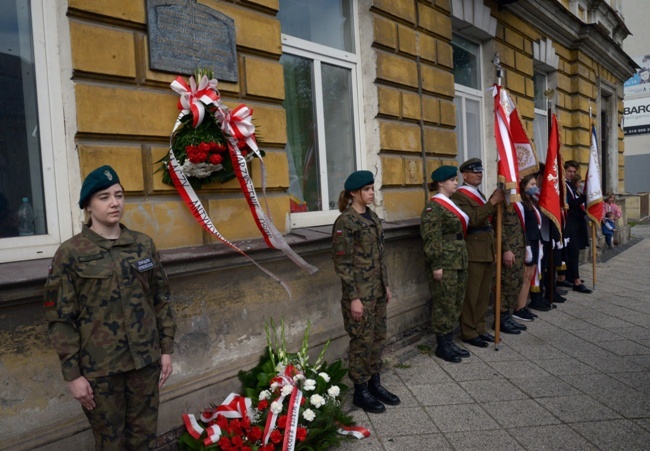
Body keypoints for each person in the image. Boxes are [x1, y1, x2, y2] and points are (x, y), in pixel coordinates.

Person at [44, 166, 176, 450]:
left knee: (143, 439)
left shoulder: (142, 245)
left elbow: (161, 299)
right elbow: (60, 319)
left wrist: (166, 350)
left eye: (119, 195)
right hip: (100, 372)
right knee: (110, 444)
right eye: (104, 197)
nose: (114, 202)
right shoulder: (71, 253)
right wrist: (73, 375)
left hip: (145, 362)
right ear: (88, 206)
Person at [332, 170, 400, 414]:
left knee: (378, 337)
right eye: (368, 189)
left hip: (377, 291)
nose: (372, 193)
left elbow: (380, 257)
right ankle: (360, 391)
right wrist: (354, 298)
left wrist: (386, 285)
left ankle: (374, 383)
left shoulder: (372, 217)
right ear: (354, 193)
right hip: (360, 295)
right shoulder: (345, 222)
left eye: (373, 188)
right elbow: (343, 264)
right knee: (361, 341)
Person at [451, 158, 504, 348]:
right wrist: (492, 202)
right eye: (474, 172)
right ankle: (468, 331)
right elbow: (472, 220)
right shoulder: (459, 196)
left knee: (483, 294)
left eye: (480, 171)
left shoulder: (478, 194)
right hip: (473, 250)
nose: (478, 174)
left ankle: (480, 328)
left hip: (486, 248)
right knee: (471, 295)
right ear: (464, 175)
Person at [421, 165, 470, 362]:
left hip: (458, 259)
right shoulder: (434, 207)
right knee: (444, 303)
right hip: (445, 263)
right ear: (441, 183)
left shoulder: (451, 203)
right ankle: (442, 345)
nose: (456, 183)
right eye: (452, 180)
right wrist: (436, 265)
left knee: (456, 301)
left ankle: (449, 341)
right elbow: (431, 239)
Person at [558, 160, 591, 294]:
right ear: (564, 170)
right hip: (567, 223)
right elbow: (570, 203)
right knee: (573, 252)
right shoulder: (562, 185)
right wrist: (584, 196)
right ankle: (576, 281)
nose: (572, 174)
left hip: (575, 223)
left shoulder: (570, 186)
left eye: (573, 172)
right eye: (569, 171)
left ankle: (565, 277)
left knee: (572, 252)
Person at [513, 175, 543, 321]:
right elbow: (522, 226)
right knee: (525, 276)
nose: (535, 186)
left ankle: (523, 305)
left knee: (530, 276)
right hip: (528, 242)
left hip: (535, 240)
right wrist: (527, 246)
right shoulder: (520, 203)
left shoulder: (531, 201)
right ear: (524, 186)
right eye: (532, 184)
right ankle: (518, 308)